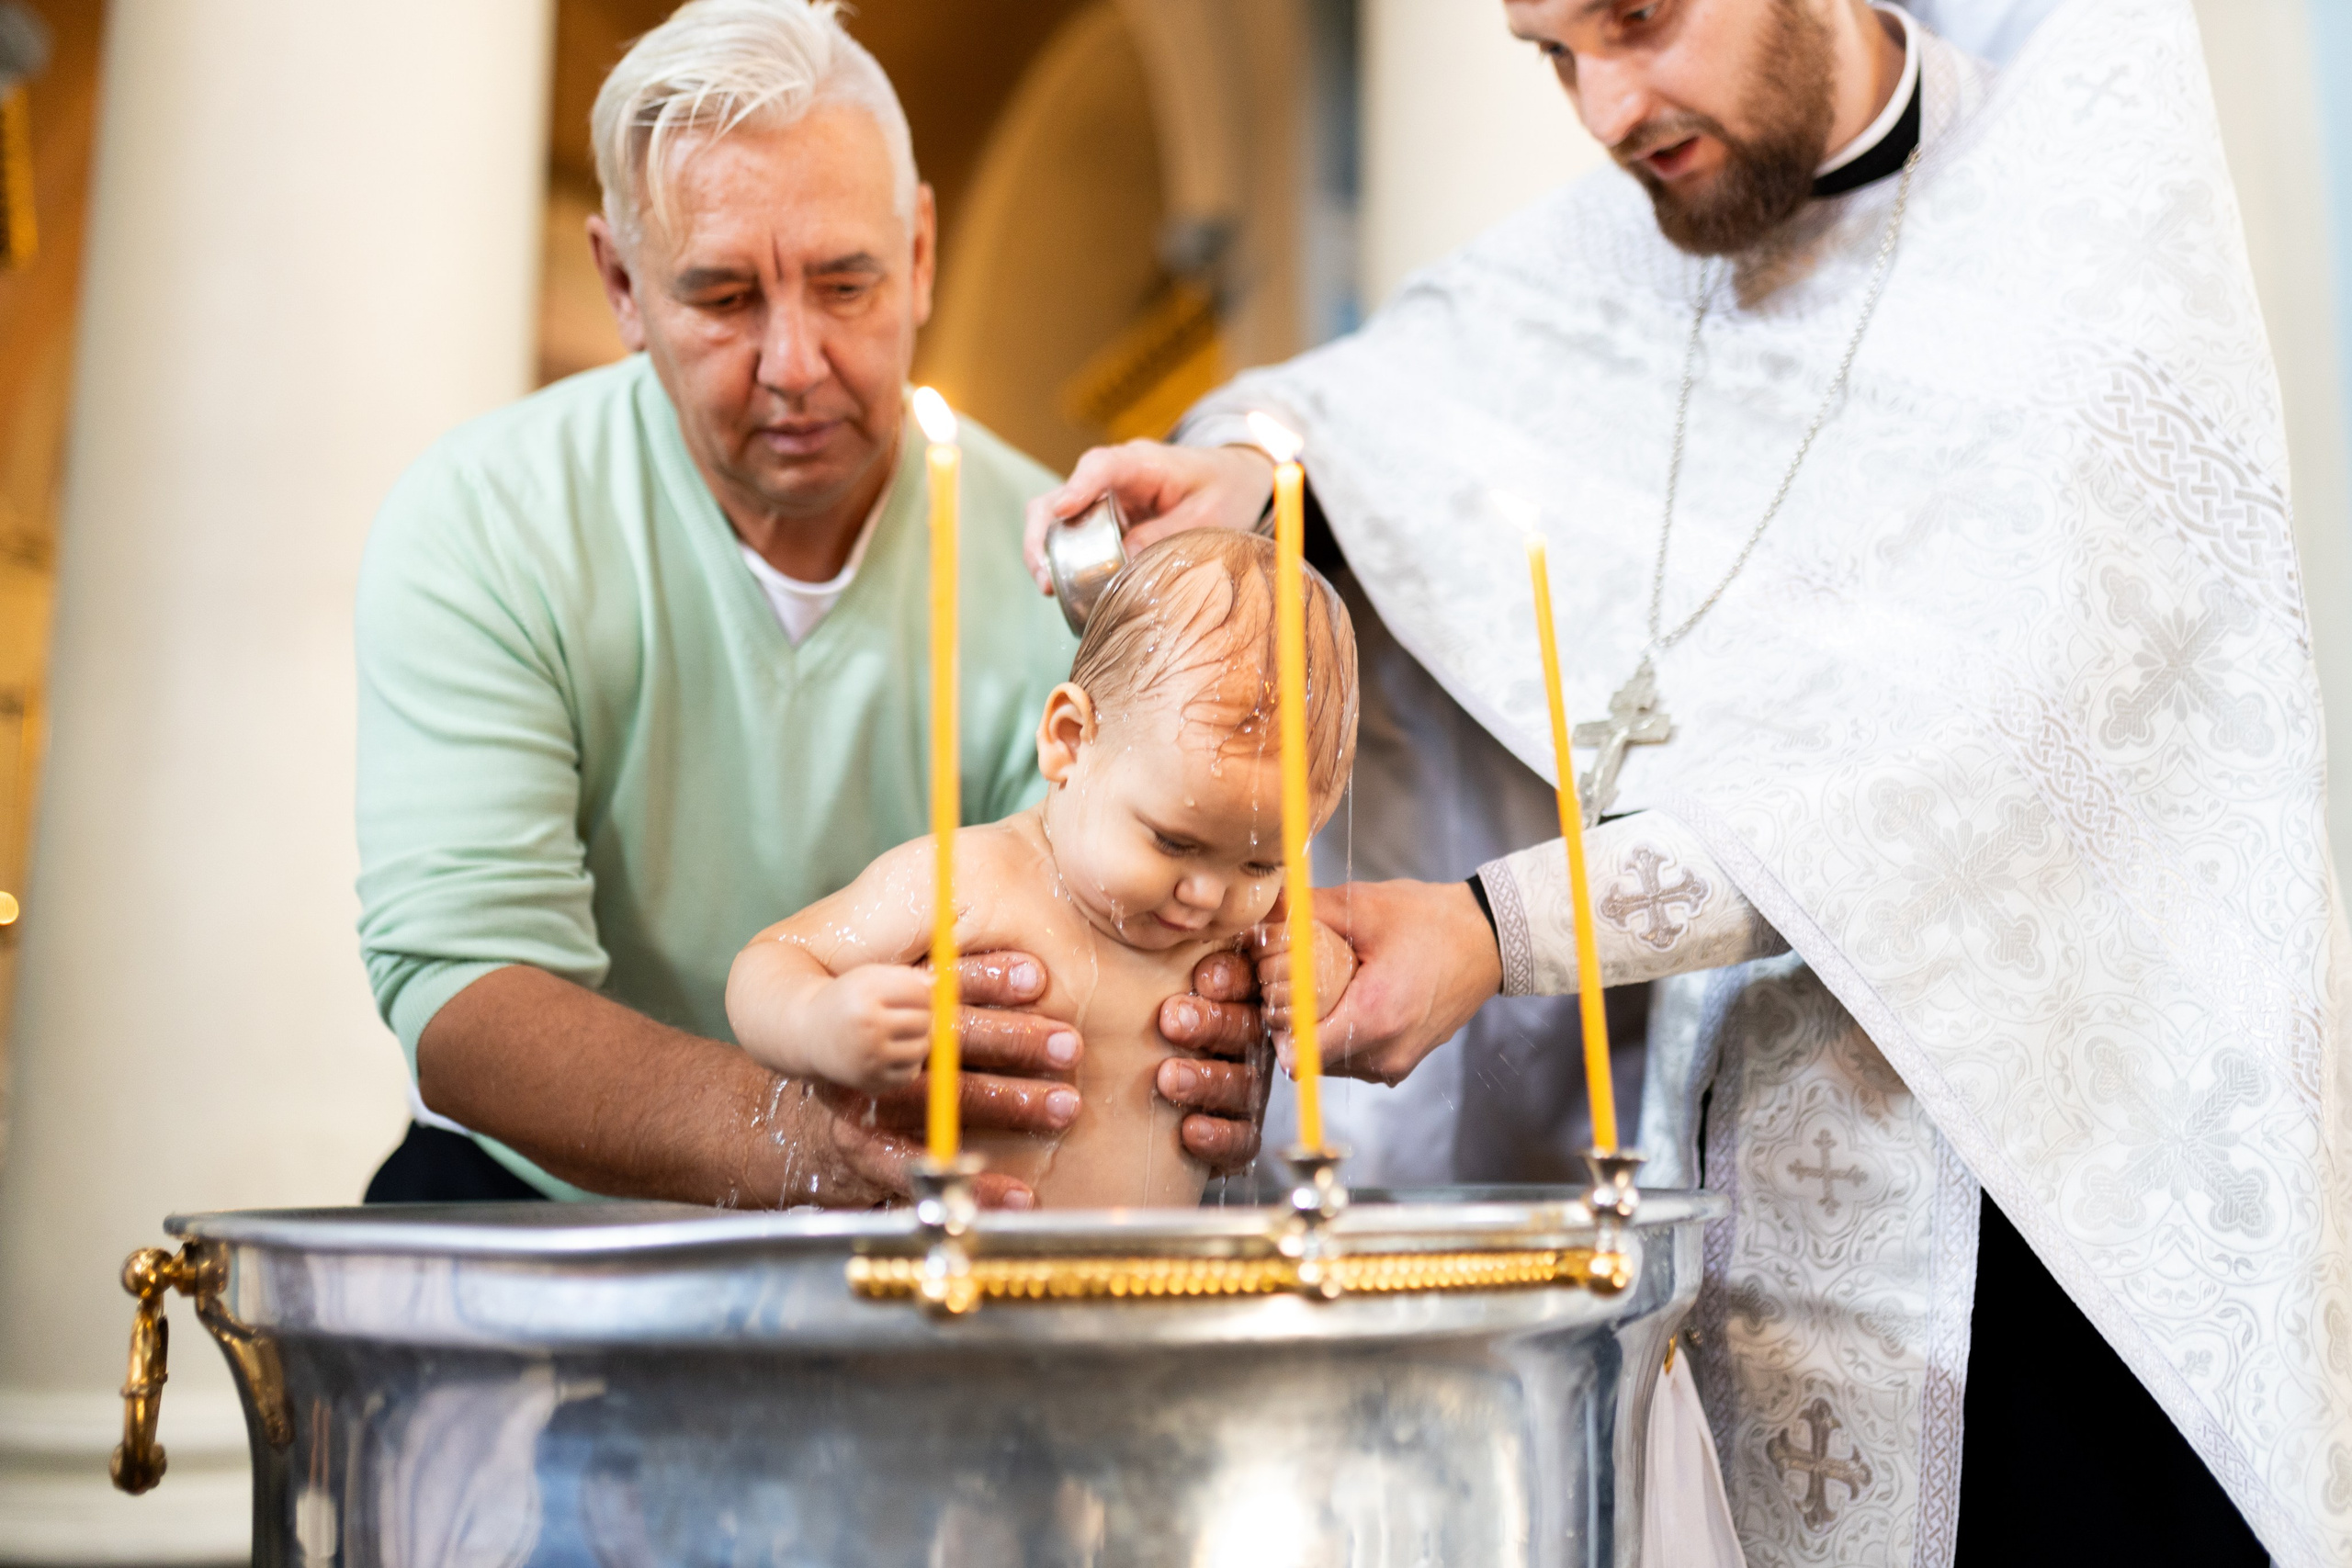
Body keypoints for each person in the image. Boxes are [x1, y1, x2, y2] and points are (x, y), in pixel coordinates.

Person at [1029, 1, 2349, 1564]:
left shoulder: (2075, 216)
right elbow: (1376, 411)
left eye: (1638, 20)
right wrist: (1254, 477)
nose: (1605, 109)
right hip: (1719, 1233)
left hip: (2047, 1246)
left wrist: (1495, 927)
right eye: (1552, 53)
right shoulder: (1612, 253)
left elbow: (1980, 762)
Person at [354, 0, 1262, 1213]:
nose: (794, 364)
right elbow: (465, 994)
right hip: (534, 1204)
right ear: (622, 283)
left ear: (920, 253)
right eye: (723, 296)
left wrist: (1190, 1038)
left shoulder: (1058, 566)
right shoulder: (484, 519)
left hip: (920, 1194)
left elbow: (1095, 951)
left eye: (845, 284)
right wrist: (793, 1140)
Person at [728, 531, 1359, 1206]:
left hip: (1141, 1268)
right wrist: (820, 1021)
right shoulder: (968, 880)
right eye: (1173, 843)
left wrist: (1321, 971)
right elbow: (771, 959)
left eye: (1261, 863)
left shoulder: (1243, 926)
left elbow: (1332, 984)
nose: (1208, 895)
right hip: (952, 1259)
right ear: (1070, 740)